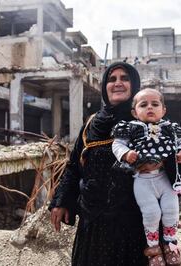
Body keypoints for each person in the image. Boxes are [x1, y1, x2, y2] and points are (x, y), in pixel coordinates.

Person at [49, 62, 148, 265]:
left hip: (132, 223)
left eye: (124, 78)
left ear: (134, 85)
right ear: (105, 87)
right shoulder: (92, 124)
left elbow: (175, 159)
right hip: (93, 223)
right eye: (112, 79)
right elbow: (74, 166)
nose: (117, 83)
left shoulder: (146, 121)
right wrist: (61, 200)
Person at [112, 88, 181, 266]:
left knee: (171, 211)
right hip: (142, 181)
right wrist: (126, 154)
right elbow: (117, 144)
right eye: (144, 105)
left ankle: (171, 244)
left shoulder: (170, 128)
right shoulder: (131, 128)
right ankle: (154, 250)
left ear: (163, 110)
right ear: (135, 112)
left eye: (155, 104)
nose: (150, 107)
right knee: (151, 214)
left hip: (165, 179)